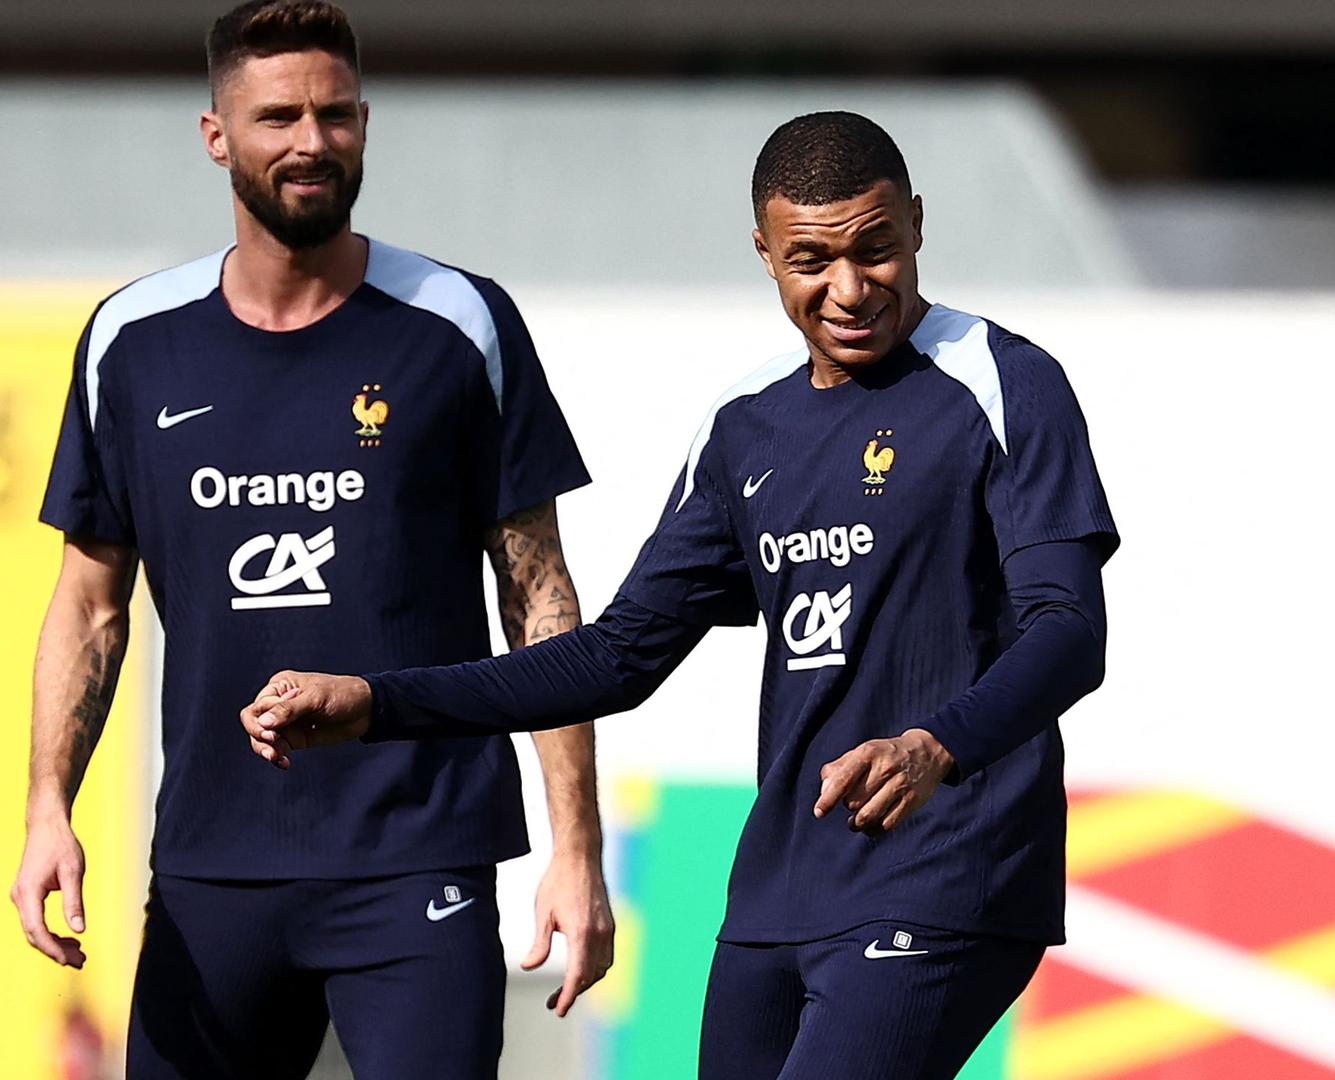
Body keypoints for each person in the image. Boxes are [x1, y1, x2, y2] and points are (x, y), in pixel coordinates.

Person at [243, 110, 1119, 1080]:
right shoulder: (747, 427)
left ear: (917, 222)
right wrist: (377, 703)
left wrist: (934, 747)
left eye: (877, 248)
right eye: (811, 260)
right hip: (777, 895)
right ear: (764, 253)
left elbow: (1070, 631)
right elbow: (617, 655)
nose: (850, 287)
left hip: (949, 868)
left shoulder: (1004, 382)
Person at [11, 3, 614, 1077]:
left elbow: (539, 600)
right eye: (278, 115)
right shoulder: (131, 342)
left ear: (366, 125)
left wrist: (577, 846)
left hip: (417, 855)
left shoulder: (460, 323)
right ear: (216, 134)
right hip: (212, 865)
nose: (310, 142)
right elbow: (91, 604)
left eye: (335, 115)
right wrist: (47, 806)